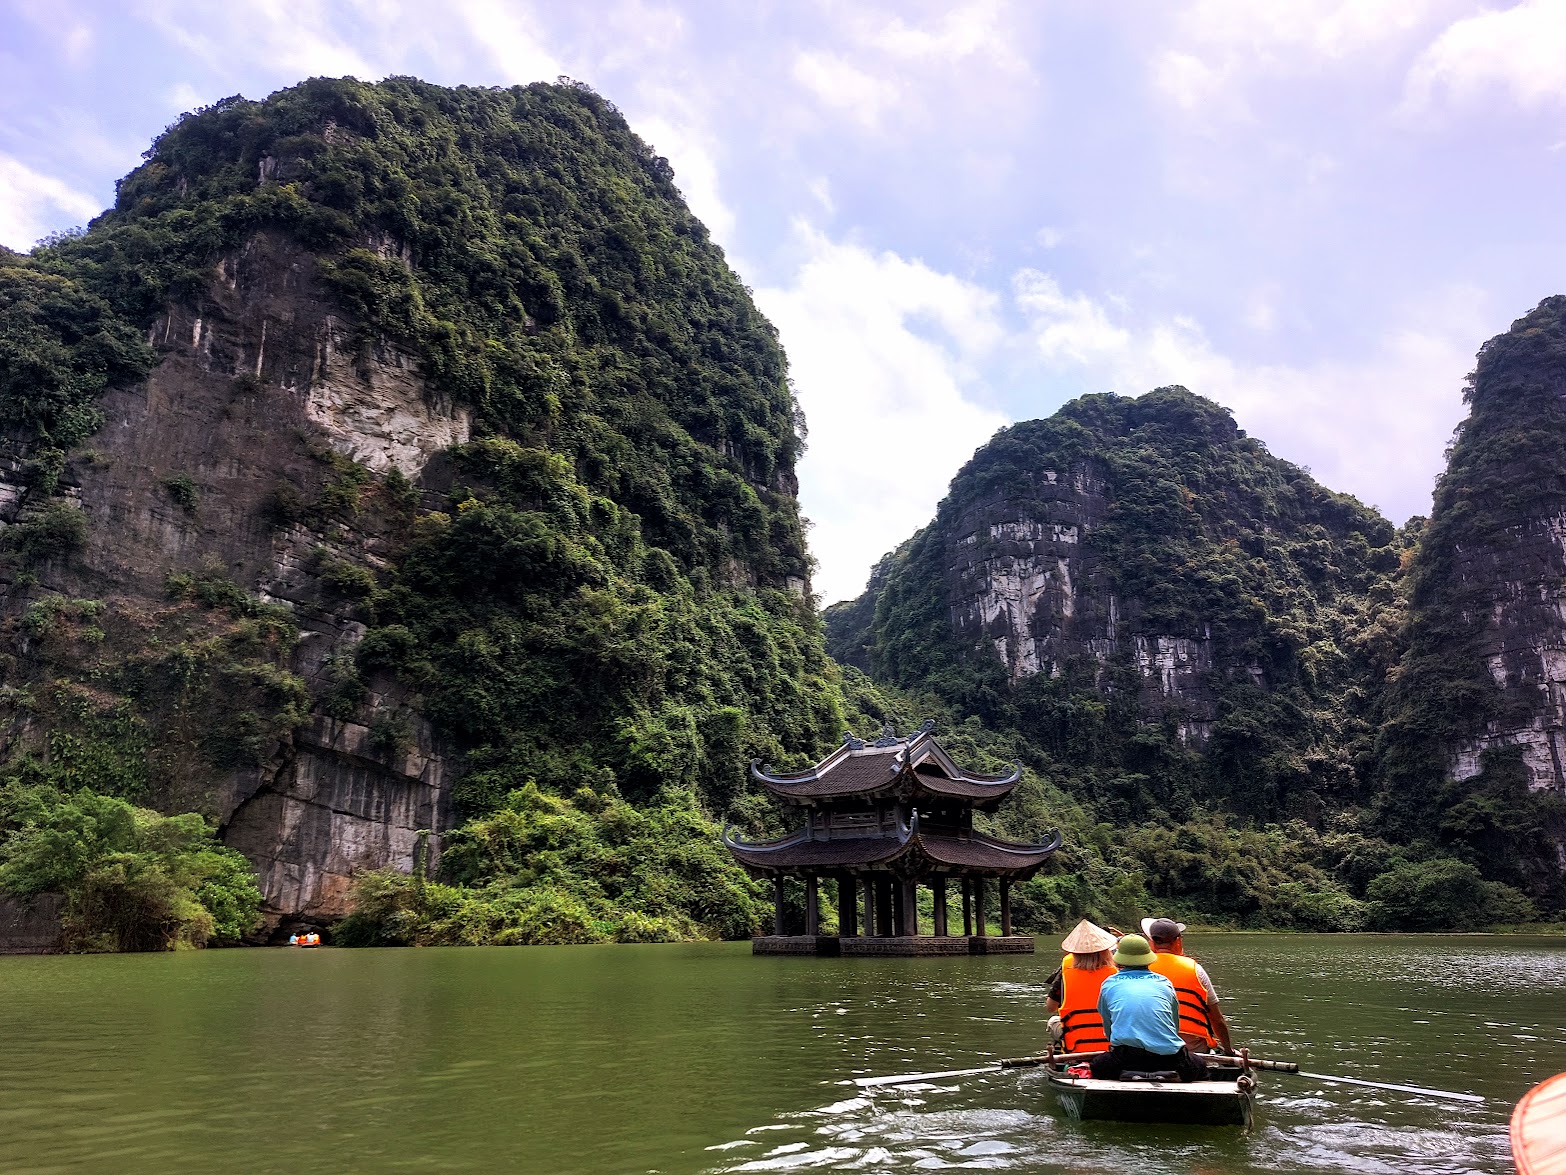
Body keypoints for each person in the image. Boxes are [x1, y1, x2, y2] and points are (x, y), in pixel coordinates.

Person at [1090, 934, 1209, 1082]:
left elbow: (1109, 1030)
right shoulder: (1164, 982)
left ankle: (1132, 1075)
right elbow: (1174, 1025)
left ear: (1119, 959)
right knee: (1201, 1067)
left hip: (1127, 1058)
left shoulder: (1109, 984)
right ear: (1148, 958)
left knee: (1097, 1066)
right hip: (1170, 1058)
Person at [1140, 916, 1233, 1054]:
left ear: (1151, 943)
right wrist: (1228, 1050)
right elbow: (1217, 1019)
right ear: (1177, 942)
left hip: (1147, 1048)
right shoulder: (1195, 970)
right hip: (1192, 1050)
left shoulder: (1138, 969)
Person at [1044, 920, 1118, 1053]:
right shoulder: (1116, 975)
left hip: (1076, 1046)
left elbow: (1050, 1007)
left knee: (1053, 1021)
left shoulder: (1065, 976)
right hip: (1111, 1047)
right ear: (1106, 951)